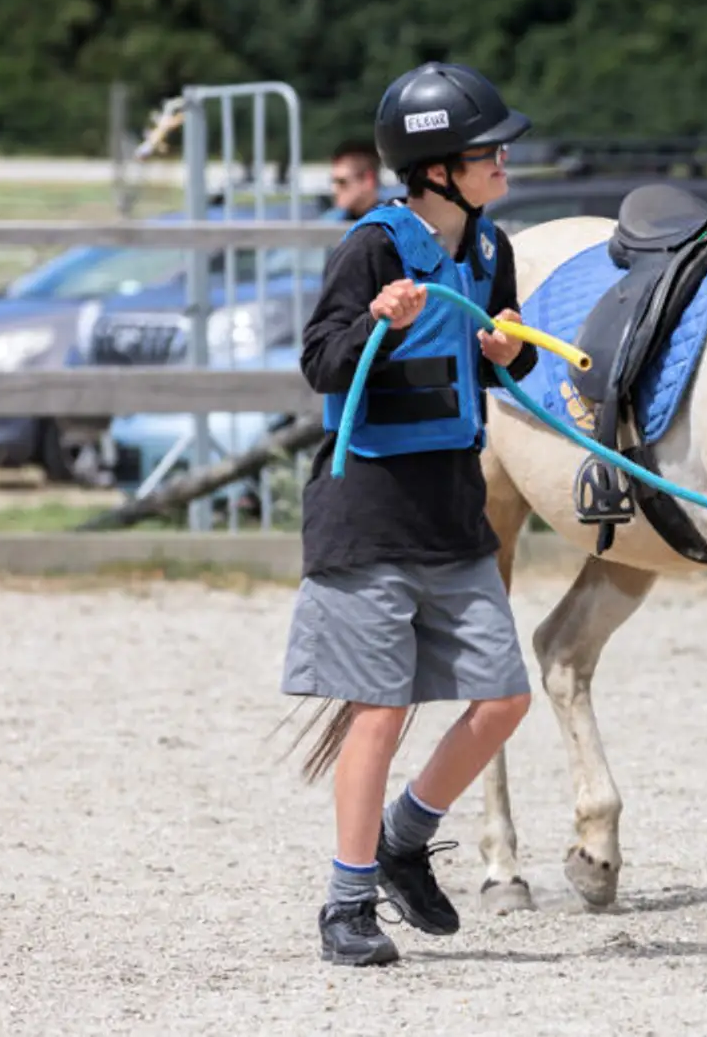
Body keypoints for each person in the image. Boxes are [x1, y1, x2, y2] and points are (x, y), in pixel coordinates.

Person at [283, 61, 542, 967]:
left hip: (454, 514)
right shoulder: (370, 248)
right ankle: (347, 902)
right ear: (437, 169)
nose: (503, 160)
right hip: (368, 515)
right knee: (380, 711)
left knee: (504, 699)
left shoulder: (491, 250)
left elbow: (507, 361)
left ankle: (405, 838)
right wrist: (379, 324)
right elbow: (320, 361)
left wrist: (511, 352)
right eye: (486, 151)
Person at [325, 138, 385, 221]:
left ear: (368, 180)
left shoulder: (389, 223)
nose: (334, 190)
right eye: (333, 182)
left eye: (342, 182)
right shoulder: (331, 220)